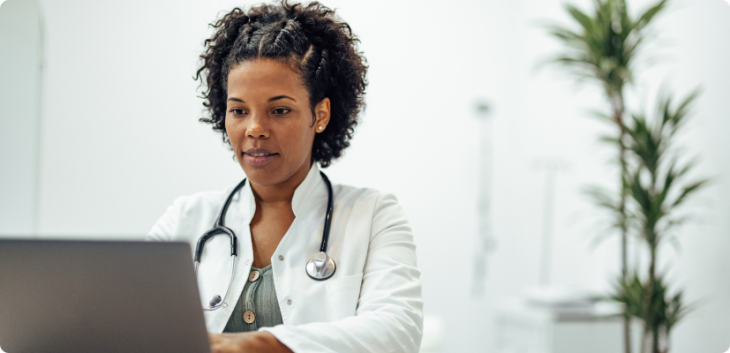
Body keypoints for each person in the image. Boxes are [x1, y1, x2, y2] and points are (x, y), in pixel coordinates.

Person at [146, 1, 423, 352]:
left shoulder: (373, 216)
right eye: (239, 110)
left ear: (319, 114)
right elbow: (129, 321)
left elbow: (397, 331)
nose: (255, 129)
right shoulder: (185, 219)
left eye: (279, 110)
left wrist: (256, 345)